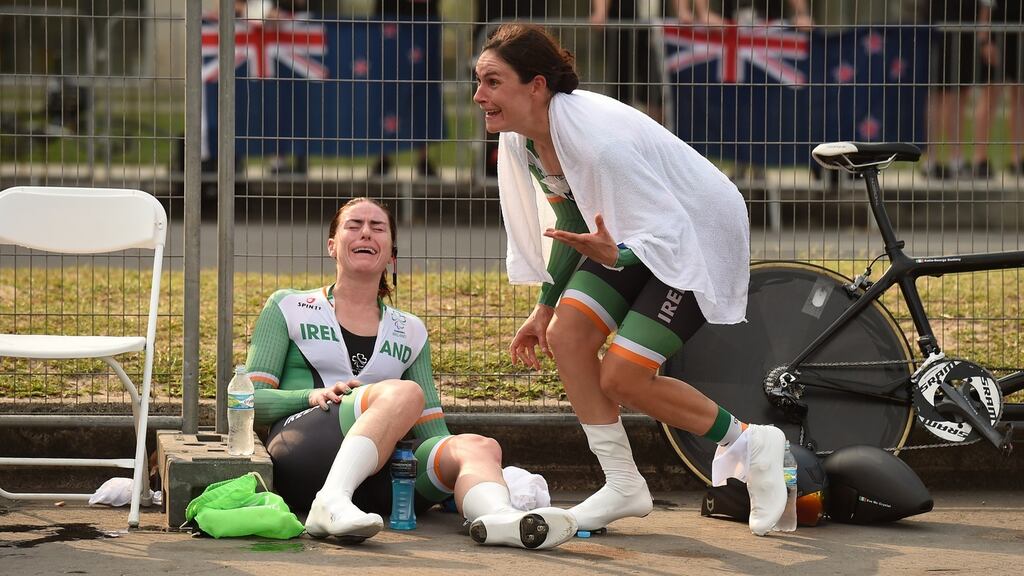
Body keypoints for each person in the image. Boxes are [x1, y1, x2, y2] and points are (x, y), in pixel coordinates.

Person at [473, 23, 787, 536]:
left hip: (693, 236)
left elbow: (665, 228)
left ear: (536, 85)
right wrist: (545, 306)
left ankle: (751, 441)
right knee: (565, 336)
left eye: (491, 81)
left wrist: (615, 253)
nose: (478, 95)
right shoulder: (523, 138)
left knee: (623, 379)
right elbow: (573, 221)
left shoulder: (598, 143)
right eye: (477, 80)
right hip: (628, 236)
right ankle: (623, 484)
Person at [245, 197, 577, 548]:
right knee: (404, 393)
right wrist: (309, 395)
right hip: (304, 452)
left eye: (378, 228)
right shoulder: (289, 305)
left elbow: (434, 432)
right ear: (332, 246)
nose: (366, 233)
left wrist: (461, 476)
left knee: (476, 446)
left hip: (383, 480)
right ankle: (329, 500)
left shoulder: (410, 330)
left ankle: (499, 518)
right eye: (354, 225)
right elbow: (246, 401)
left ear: (391, 254)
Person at [921, 0, 993, 180]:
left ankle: (956, 159)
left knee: (961, 94)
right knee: (937, 96)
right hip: (938, 28)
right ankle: (931, 160)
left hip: (967, 29)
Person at [590, 1, 665, 124]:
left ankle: (654, 135)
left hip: (654, 26)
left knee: (656, 88)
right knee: (621, 85)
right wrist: (600, 12)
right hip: (621, 25)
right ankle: (621, 131)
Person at [973, 0, 1024, 177]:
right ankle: (980, 159)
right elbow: (985, 10)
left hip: (1020, 38)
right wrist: (984, 41)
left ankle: (1017, 159)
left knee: (1020, 101)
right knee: (989, 99)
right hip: (997, 40)